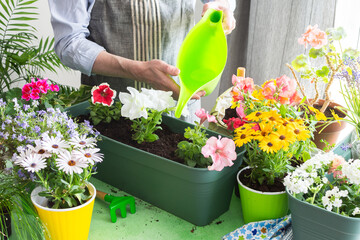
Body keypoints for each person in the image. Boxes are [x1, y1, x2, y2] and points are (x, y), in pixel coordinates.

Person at [48, 0, 236, 123]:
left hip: (181, 105)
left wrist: (219, 7)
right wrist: (136, 70)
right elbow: (69, 44)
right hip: (110, 112)